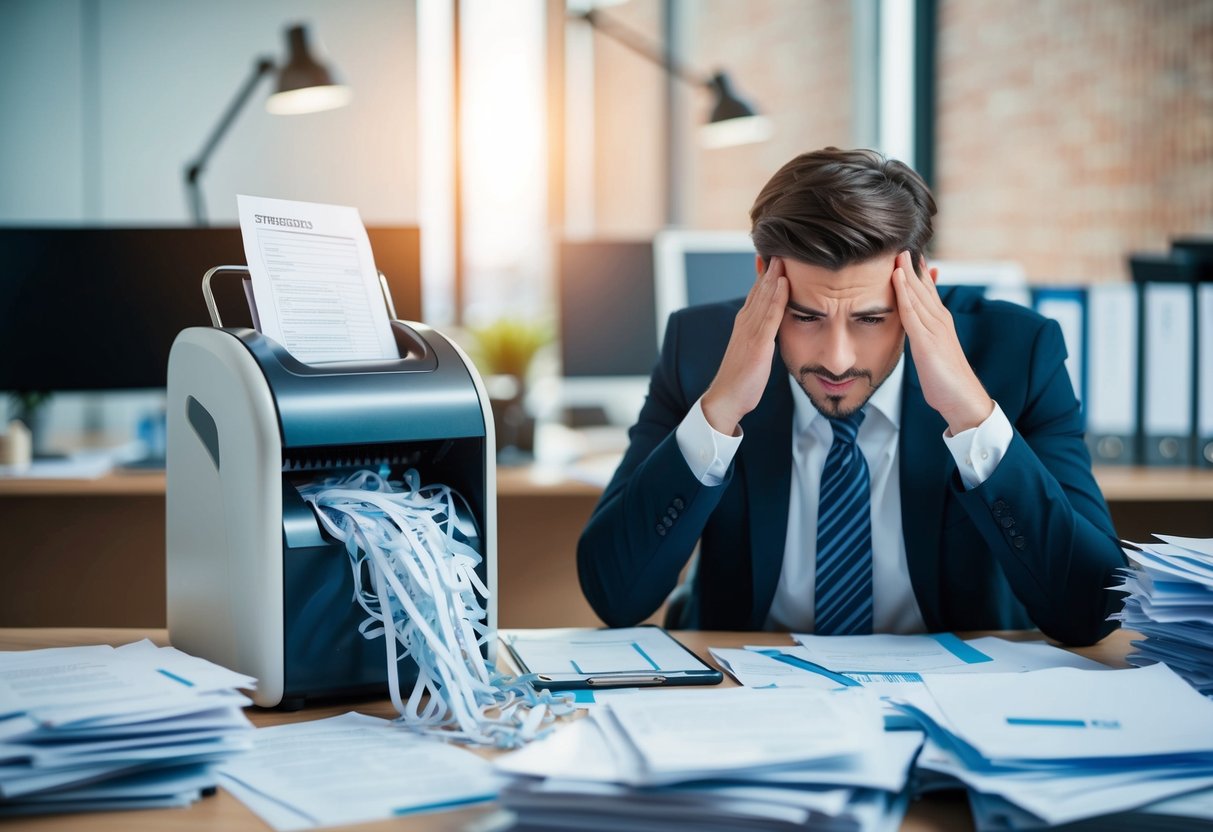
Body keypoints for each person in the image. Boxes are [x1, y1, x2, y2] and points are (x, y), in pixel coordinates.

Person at [576, 147, 1126, 646]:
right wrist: (718, 414)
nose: (837, 359)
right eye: (806, 316)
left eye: (871, 319)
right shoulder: (699, 350)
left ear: (920, 288)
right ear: (765, 279)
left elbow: (1091, 610)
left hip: (954, 701)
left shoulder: (1019, 355)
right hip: (745, 699)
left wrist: (971, 416)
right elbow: (616, 597)